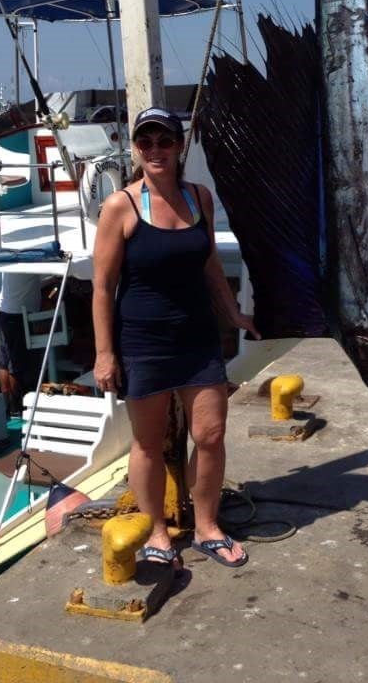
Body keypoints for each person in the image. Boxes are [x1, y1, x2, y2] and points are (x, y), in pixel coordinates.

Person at [92, 106, 260, 569]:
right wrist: (105, 355)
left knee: (211, 434)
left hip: (198, 339)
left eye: (164, 141)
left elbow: (208, 263)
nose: (155, 150)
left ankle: (207, 526)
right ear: (136, 149)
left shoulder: (199, 197)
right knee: (147, 443)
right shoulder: (119, 206)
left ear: (179, 145)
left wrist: (233, 313)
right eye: (146, 142)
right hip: (142, 343)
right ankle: (158, 532)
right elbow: (102, 288)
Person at [0, 272, 43, 415]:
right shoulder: (33, 256)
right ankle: (18, 408)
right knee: (16, 366)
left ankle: (8, 408)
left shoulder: (10, 252)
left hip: (3, 311)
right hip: (19, 313)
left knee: (4, 364)